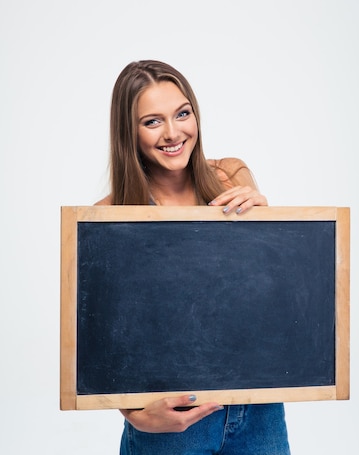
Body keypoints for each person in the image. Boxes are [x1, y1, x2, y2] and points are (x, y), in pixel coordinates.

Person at [95, 60, 291, 455]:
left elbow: (264, 290)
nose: (173, 133)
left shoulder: (231, 177)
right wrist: (134, 415)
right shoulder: (108, 215)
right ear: (128, 133)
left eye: (182, 114)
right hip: (175, 423)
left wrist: (267, 222)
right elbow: (101, 337)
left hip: (259, 412)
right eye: (152, 121)